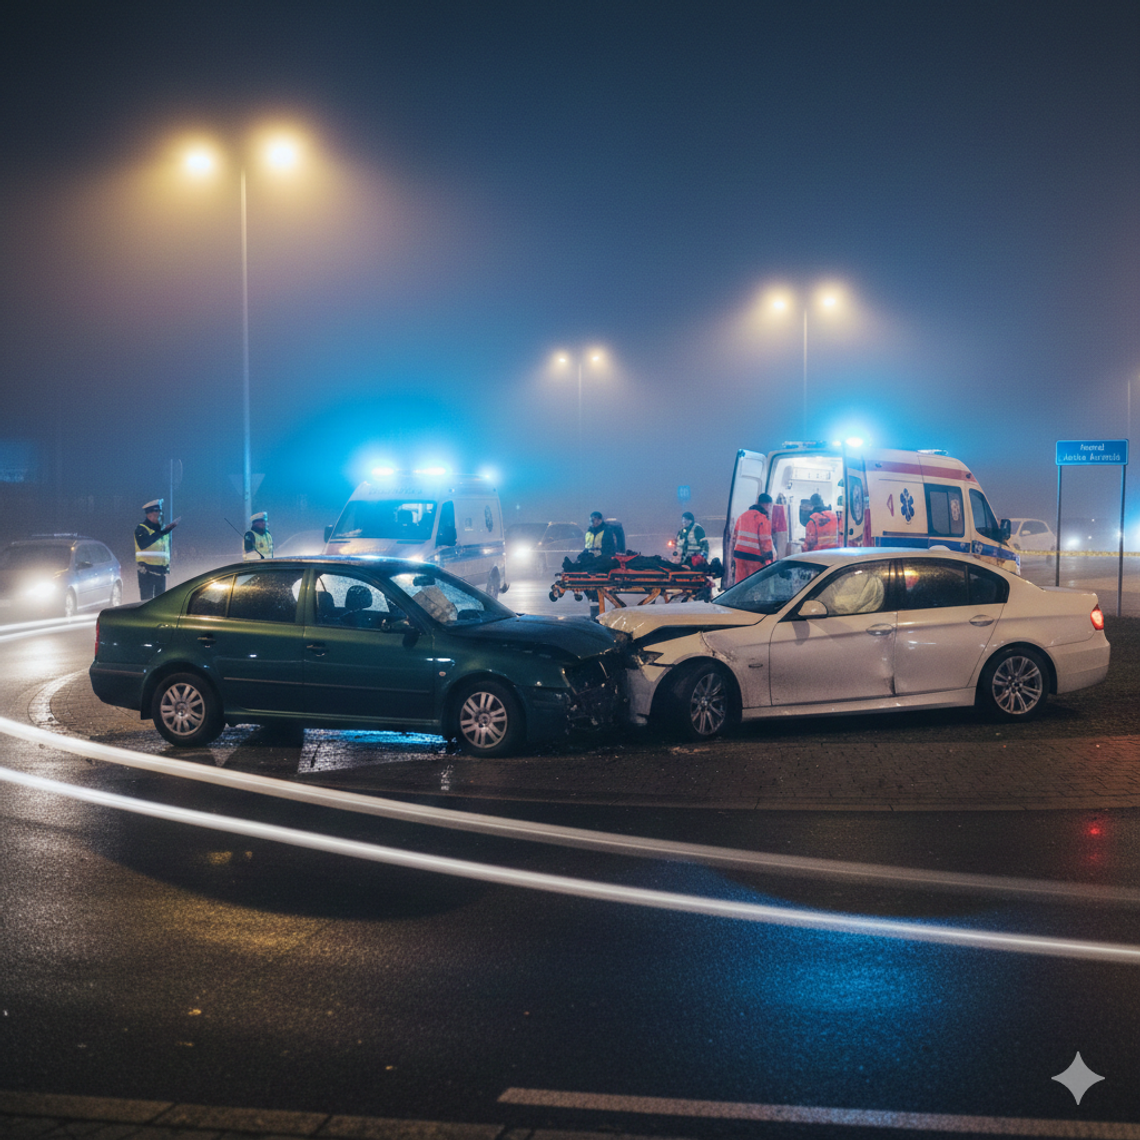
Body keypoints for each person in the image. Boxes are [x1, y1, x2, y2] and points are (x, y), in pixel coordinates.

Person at [134, 498, 178, 600]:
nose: (160, 517)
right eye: (157, 514)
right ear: (150, 515)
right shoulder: (141, 529)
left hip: (161, 573)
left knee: (160, 604)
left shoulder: (161, 529)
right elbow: (144, 543)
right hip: (147, 573)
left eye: (160, 514)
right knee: (147, 604)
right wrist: (162, 532)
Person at [730, 493, 774, 585]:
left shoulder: (742, 516)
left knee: (740, 585)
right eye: (770, 506)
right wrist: (769, 560)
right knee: (754, 586)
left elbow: (734, 537)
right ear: (768, 505)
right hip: (755, 558)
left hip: (739, 556)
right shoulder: (762, 519)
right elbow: (765, 542)